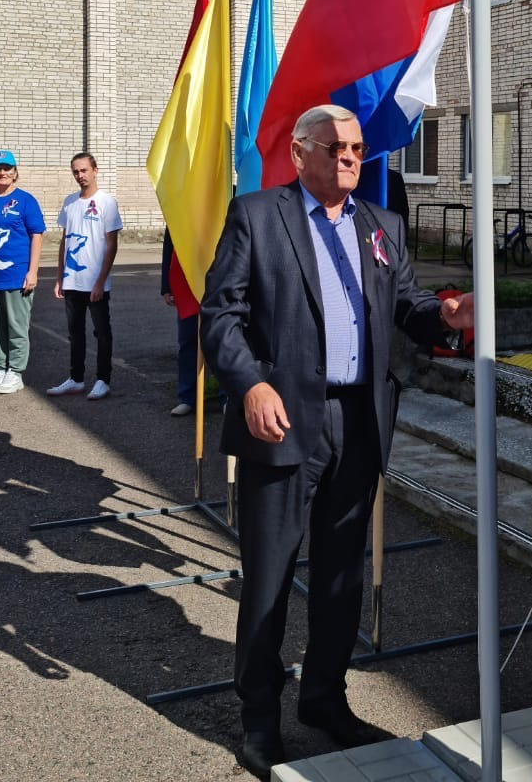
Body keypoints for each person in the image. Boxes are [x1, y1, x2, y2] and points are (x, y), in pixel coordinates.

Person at [201, 104, 474, 780]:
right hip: (286, 418)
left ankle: (324, 697)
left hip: (359, 420)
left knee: (342, 573)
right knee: (268, 576)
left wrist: (445, 316)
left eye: (356, 148)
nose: (351, 157)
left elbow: (405, 306)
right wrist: (251, 385)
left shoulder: (382, 226)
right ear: (300, 153)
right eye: (336, 147)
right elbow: (220, 316)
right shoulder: (259, 217)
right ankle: (260, 719)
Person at [0, 150, 46, 395]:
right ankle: (1, 368)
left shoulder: (25, 200)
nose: (2, 173)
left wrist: (32, 272)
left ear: (15, 172)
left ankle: (15, 371)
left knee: (16, 325)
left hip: (16, 276)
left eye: (7, 168)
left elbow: (37, 235)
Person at [47, 152, 121, 400]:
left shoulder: (106, 202)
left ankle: (103, 380)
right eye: (76, 171)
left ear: (95, 170)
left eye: (84, 170)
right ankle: (76, 379)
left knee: (102, 332)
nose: (80, 175)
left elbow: (112, 244)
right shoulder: (69, 202)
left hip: (95, 282)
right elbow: (65, 241)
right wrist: (60, 278)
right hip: (72, 281)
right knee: (75, 332)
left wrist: (101, 281)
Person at [160, 229, 199, 416]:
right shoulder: (180, 203)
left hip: (216, 279)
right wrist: (166, 287)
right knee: (187, 341)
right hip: (187, 282)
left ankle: (226, 397)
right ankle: (187, 397)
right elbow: (169, 246)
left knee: (221, 342)